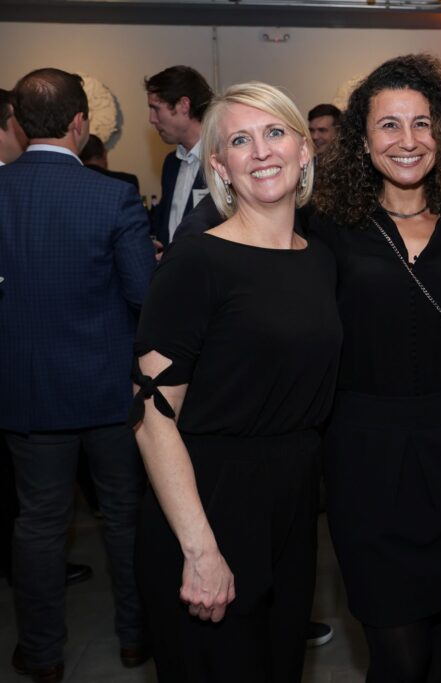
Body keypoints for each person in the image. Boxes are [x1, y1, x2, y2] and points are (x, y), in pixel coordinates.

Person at [131, 82, 342, 682]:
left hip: (293, 506)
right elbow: (150, 417)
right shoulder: (196, 261)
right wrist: (200, 549)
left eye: (275, 132)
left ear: (305, 150)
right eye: (240, 141)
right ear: (221, 166)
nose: (262, 151)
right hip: (210, 502)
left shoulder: (319, 258)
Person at [310, 53, 441, 683]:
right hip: (365, 454)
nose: (408, 140)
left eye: (423, 123)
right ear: (362, 140)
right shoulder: (327, 226)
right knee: (398, 654)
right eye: (389, 125)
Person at [0, 68, 154, 683]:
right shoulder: (112, 195)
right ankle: (137, 639)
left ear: (17, 124)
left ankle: (41, 654)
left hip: (28, 391)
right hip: (108, 388)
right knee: (124, 515)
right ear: (80, 123)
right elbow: (144, 296)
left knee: (38, 523)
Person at [144, 65, 214, 248]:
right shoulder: (171, 163)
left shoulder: (224, 160)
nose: (151, 119)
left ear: (184, 105)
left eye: (155, 109)